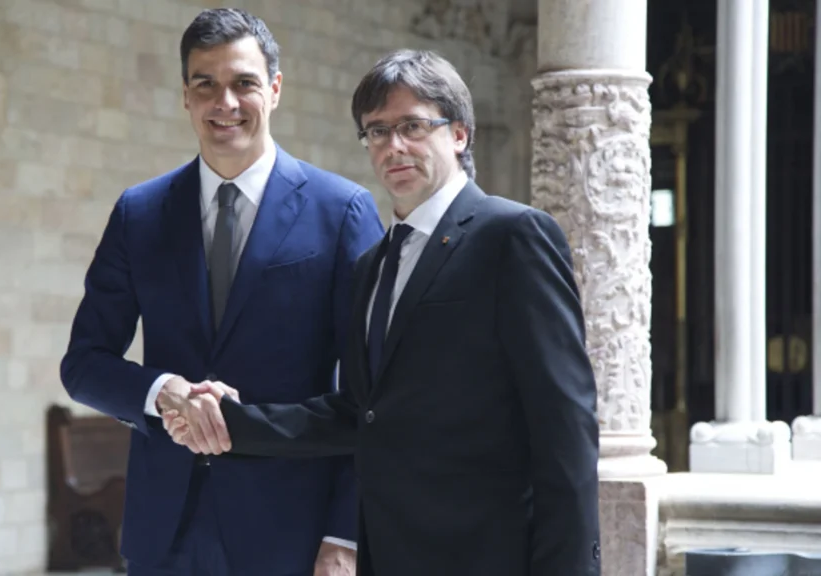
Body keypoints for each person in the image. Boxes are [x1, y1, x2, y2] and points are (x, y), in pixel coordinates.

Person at [166, 49, 602, 576]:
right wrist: (234, 422)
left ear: (459, 134)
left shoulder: (512, 235)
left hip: (489, 556)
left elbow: (565, 426)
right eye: (376, 131)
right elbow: (360, 414)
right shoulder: (372, 265)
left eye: (413, 126)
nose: (393, 146)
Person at [60, 8, 384, 576]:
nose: (224, 102)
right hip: (164, 532)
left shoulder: (342, 212)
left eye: (243, 83)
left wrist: (345, 533)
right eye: (205, 83)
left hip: (292, 530)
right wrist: (162, 392)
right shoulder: (139, 213)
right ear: (185, 96)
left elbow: (372, 393)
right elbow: (83, 363)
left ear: (275, 89)